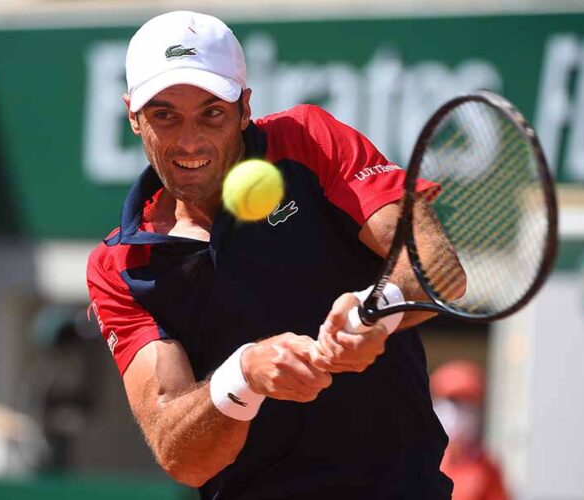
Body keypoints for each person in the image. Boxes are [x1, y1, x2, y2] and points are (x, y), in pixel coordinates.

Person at [86, 10, 464, 499]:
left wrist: (378, 311)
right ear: (134, 117)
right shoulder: (118, 267)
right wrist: (243, 376)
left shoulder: (310, 140)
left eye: (212, 112)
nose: (190, 140)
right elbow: (179, 453)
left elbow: (438, 268)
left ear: (244, 108)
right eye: (164, 115)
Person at [431, 361, 509, 500]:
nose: (457, 413)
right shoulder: (424, 459)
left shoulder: (486, 467)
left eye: (466, 404)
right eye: (453, 402)